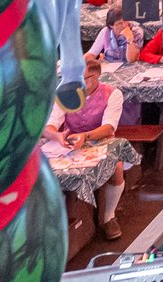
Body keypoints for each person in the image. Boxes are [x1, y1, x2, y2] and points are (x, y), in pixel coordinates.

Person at [44, 57, 128, 239]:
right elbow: (50, 123)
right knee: (44, 170)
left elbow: (109, 127)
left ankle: (108, 217)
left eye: (84, 79)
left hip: (101, 141)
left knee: (116, 168)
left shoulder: (113, 94)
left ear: (96, 76)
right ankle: (56, 222)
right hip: (70, 143)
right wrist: (56, 135)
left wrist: (87, 136)